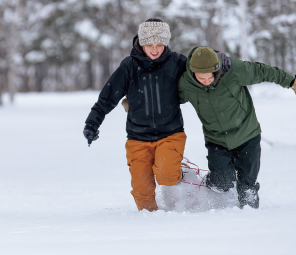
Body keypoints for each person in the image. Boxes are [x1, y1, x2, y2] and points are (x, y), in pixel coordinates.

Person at [83, 18, 230, 212]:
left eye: (159, 44)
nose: (155, 49)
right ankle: (151, 225)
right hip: (137, 138)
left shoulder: (177, 62)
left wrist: (217, 59)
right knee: (142, 193)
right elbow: (106, 99)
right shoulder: (129, 66)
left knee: (166, 175)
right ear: (141, 43)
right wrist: (92, 124)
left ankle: (179, 170)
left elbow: (200, 67)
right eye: (150, 45)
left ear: (166, 43)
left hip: (170, 133)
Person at [178, 46, 296, 209]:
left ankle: (249, 222)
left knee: (247, 188)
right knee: (221, 183)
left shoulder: (233, 71)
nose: (206, 81)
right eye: (201, 78)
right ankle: (208, 183)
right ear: (193, 73)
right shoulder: (185, 84)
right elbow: (166, 98)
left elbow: (263, 71)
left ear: (216, 69)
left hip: (247, 135)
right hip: (217, 140)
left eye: (209, 77)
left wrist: (290, 81)